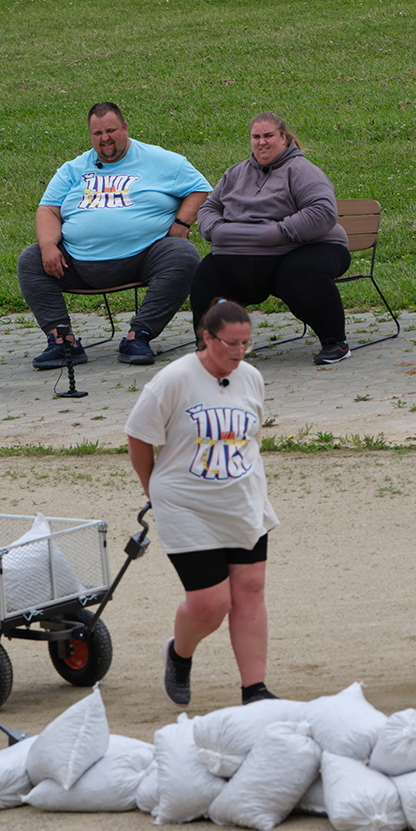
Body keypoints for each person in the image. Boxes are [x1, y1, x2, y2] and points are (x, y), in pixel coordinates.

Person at [125, 300, 282, 706]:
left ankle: (255, 690)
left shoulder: (251, 378)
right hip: (186, 504)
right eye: (230, 343)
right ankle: (179, 654)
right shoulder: (173, 380)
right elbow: (139, 436)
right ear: (207, 337)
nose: (238, 352)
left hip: (241, 499)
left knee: (250, 588)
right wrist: (151, 487)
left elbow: (251, 437)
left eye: (246, 343)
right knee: (211, 603)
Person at [17, 102, 211, 369]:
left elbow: (200, 188)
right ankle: (62, 342)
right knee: (31, 258)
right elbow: (48, 209)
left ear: (125, 128)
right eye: (97, 133)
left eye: (111, 130)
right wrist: (49, 245)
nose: (105, 138)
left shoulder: (161, 160)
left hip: (143, 258)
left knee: (184, 255)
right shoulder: (73, 169)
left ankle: (138, 336)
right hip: (77, 262)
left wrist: (180, 224)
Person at [191, 112, 354, 366]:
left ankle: (336, 342)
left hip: (309, 247)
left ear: (283, 137)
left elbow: (323, 212)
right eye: (256, 137)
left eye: (268, 136)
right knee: (206, 275)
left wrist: (279, 232)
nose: (261, 142)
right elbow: (209, 208)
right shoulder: (235, 173)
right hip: (242, 254)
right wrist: (215, 230)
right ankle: (209, 347)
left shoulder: (302, 171)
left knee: (299, 275)